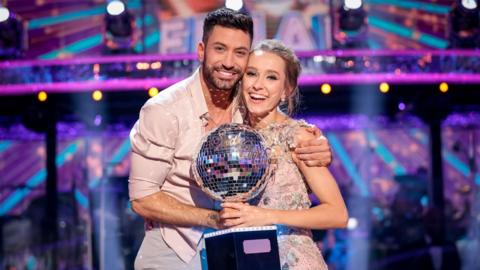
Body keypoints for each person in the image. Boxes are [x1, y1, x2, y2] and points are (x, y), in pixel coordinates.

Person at [129, 8, 333, 270]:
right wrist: (216, 219)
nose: (228, 62)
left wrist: (319, 148)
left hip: (239, 252)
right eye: (220, 49)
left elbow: (285, 131)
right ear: (202, 50)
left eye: (240, 53)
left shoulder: (249, 101)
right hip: (176, 248)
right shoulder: (164, 110)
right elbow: (142, 199)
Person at [220, 39, 349, 269]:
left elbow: (337, 214)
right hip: (245, 259)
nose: (258, 85)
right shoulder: (230, 137)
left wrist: (267, 216)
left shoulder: (299, 137)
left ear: (286, 90)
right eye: (251, 74)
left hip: (292, 260)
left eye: (271, 77)